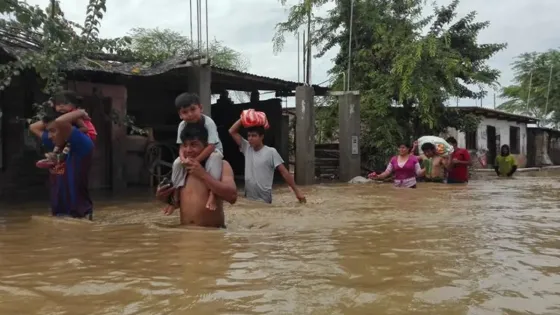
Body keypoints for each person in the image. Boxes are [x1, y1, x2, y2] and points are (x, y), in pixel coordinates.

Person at [155, 123, 237, 228]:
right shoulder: (182, 169)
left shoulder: (222, 165)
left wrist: (203, 174)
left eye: (194, 145)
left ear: (207, 146)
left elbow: (232, 197)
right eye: (185, 145)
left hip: (212, 236)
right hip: (184, 234)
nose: (188, 150)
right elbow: (177, 203)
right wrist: (162, 197)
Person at [29, 107, 94, 219]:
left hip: (80, 219)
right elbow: (33, 127)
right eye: (48, 131)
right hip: (59, 216)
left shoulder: (81, 144)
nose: (49, 136)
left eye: (53, 131)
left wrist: (80, 112)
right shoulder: (56, 144)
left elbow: (61, 122)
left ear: (67, 130)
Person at [165, 92, 223, 215]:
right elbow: (181, 145)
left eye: (193, 109)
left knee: (215, 158)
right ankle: (175, 198)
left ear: (200, 108)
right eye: (185, 112)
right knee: (176, 163)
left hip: (212, 150)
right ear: (180, 115)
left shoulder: (208, 123)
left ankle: (213, 195)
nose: (190, 114)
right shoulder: (182, 125)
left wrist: (196, 161)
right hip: (192, 153)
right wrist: (183, 159)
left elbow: (212, 145)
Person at [229, 118, 306, 204]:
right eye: (249, 135)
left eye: (254, 135)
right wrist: (243, 118)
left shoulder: (271, 152)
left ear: (261, 137)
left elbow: (284, 173)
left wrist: (297, 192)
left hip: (264, 199)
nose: (250, 138)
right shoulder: (247, 148)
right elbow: (232, 131)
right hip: (248, 198)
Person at [35, 91, 97, 169]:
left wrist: (68, 136)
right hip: (75, 137)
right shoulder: (63, 116)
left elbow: (85, 128)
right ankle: (54, 158)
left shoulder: (75, 114)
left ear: (74, 105)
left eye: (65, 103)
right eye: (58, 104)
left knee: (65, 142)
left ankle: (57, 158)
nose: (61, 106)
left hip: (89, 135)